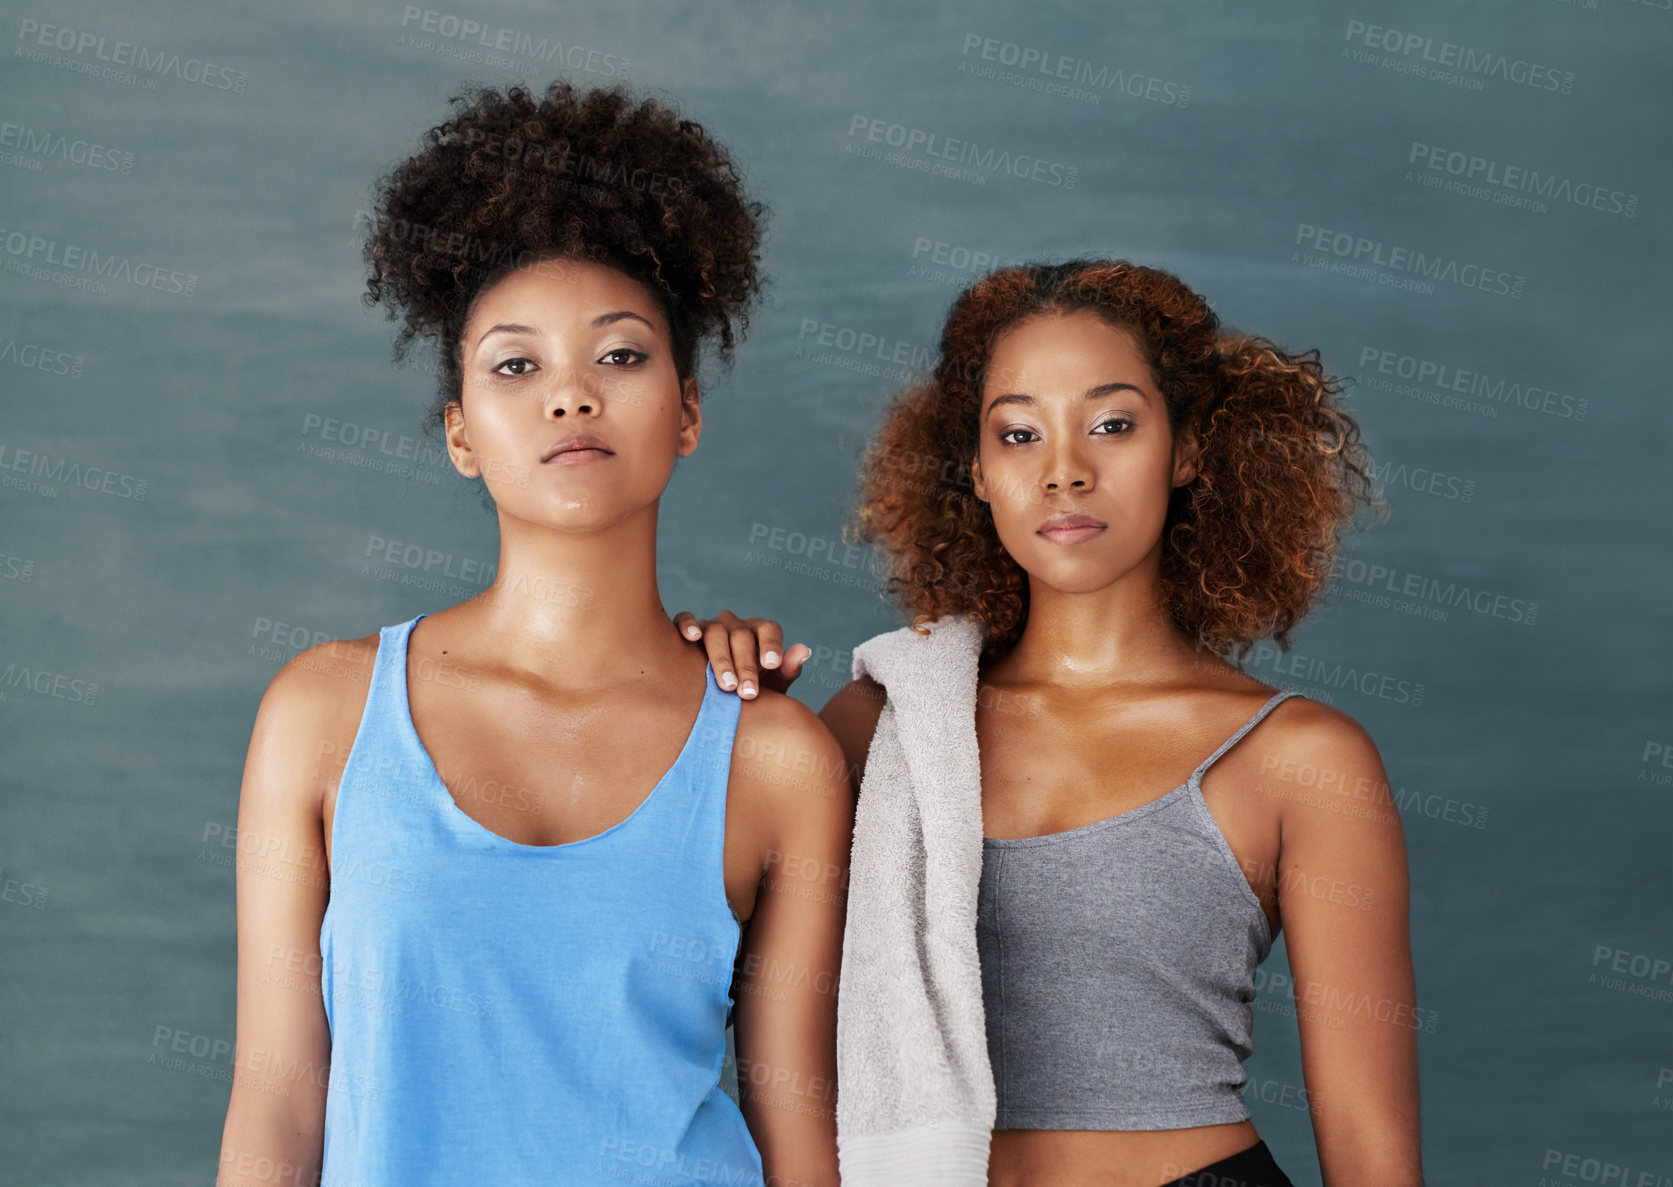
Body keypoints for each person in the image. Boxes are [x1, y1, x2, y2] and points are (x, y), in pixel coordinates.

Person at [217, 79, 852, 1187]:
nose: (571, 396)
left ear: (688, 411)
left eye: (620, 355)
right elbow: (276, 1103)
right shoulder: (320, 714)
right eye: (517, 365)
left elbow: (800, 1130)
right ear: (460, 433)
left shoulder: (776, 755)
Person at [678, 260, 1422, 1186]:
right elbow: (706, 974)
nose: (1064, 470)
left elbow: (1368, 1148)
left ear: (1187, 447)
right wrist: (708, 699)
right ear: (979, 474)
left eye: (1112, 424)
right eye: (1019, 433)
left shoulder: (1302, 759)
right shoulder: (886, 724)